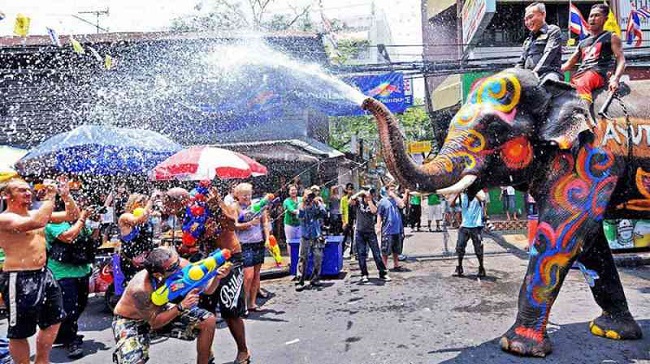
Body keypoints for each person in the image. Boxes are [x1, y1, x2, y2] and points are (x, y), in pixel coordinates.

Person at [0, 177, 79, 364]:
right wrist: (51, 197)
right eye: (21, 190)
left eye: (28, 189)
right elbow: (36, 222)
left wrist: (66, 196)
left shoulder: (35, 212)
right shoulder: (4, 218)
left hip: (44, 274)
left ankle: (42, 361)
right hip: (18, 277)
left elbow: (71, 216)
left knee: (54, 319)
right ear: (5, 195)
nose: (28, 193)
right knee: (19, 331)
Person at [112, 247, 230, 364]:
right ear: (158, 274)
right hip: (131, 320)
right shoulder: (141, 289)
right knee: (135, 362)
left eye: (178, 261)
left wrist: (217, 277)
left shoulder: (180, 264)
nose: (179, 266)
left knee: (208, 320)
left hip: (161, 310)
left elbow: (208, 290)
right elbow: (154, 323)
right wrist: (181, 306)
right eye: (173, 267)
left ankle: (205, 359)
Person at [195, 185, 251, 364]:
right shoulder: (198, 208)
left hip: (231, 258)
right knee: (204, 311)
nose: (208, 196)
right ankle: (206, 353)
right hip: (208, 261)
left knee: (230, 309)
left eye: (212, 193)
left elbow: (231, 223)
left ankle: (243, 351)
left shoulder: (229, 205)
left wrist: (217, 204)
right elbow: (195, 235)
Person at [45, 200, 100, 358]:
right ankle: (71, 339)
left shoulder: (76, 221)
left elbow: (91, 236)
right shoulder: (54, 222)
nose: (77, 208)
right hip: (62, 273)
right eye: (73, 206)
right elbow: (68, 237)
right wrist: (82, 218)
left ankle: (63, 334)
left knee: (81, 305)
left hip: (81, 271)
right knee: (70, 308)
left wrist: (96, 222)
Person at [561, 3, 626, 106]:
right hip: (580, 75)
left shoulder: (611, 36)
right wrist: (553, 71)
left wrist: (616, 78)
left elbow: (621, 59)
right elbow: (569, 64)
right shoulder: (583, 42)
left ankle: (586, 118)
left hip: (598, 74)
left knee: (582, 83)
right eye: (591, 16)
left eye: (597, 15)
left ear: (605, 19)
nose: (592, 19)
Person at [233, 183, 269, 311]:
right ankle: (243, 304)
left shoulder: (257, 205)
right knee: (248, 275)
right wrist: (249, 223)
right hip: (244, 244)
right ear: (237, 195)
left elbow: (265, 222)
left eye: (249, 194)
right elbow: (235, 225)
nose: (247, 197)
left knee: (256, 275)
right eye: (244, 195)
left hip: (258, 242)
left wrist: (268, 238)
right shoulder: (235, 207)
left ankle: (252, 303)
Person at [350, 187, 391, 283]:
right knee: (361, 254)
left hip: (370, 232)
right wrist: (359, 193)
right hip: (360, 232)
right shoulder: (358, 201)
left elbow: (374, 211)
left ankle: (383, 273)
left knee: (376, 254)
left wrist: (369, 200)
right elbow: (350, 201)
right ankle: (364, 274)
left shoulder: (374, 202)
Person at [118, 191, 160, 283]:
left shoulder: (146, 217)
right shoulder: (125, 217)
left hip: (146, 260)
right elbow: (137, 220)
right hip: (131, 261)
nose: (142, 204)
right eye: (139, 202)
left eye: (143, 202)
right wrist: (151, 200)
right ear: (132, 203)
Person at [516, 2, 563, 82]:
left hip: (548, 73)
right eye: (526, 20)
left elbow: (548, 53)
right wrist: (513, 75)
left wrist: (534, 72)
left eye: (530, 17)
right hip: (529, 77)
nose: (528, 22)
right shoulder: (527, 40)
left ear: (543, 14)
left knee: (549, 83)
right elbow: (521, 62)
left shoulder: (553, 31)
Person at [295, 187, 327, 291]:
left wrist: (320, 203)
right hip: (305, 236)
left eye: (311, 195)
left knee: (318, 257)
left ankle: (315, 279)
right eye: (307, 195)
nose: (309, 197)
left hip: (316, 235)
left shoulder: (316, 204)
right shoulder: (301, 205)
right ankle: (300, 280)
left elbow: (324, 214)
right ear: (303, 196)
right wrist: (304, 205)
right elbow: (300, 216)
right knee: (303, 258)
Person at [453, 191, 487, 278]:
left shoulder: (479, 193)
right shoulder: (462, 196)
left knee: (478, 249)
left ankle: (481, 267)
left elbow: (483, 199)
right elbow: (452, 204)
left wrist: (473, 190)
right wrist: (456, 193)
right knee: (459, 247)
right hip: (464, 226)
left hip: (476, 226)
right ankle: (459, 267)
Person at [377, 182, 407, 272]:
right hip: (387, 230)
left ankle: (396, 264)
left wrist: (394, 196)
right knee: (385, 249)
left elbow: (402, 205)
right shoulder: (383, 201)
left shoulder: (397, 200)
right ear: (386, 191)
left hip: (397, 229)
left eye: (394, 189)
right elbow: (379, 214)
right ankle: (384, 266)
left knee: (396, 249)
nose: (392, 191)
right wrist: (378, 226)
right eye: (390, 189)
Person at [282, 184, 301, 262]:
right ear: (289, 192)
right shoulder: (286, 201)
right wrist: (298, 211)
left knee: (300, 241)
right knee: (290, 241)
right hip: (289, 224)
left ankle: (299, 258)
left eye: (295, 190)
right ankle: (291, 259)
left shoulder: (301, 199)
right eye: (291, 190)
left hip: (299, 224)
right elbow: (291, 209)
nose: (293, 191)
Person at [340, 183, 356, 259]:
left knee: (354, 238)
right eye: (349, 189)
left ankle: (352, 253)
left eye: (351, 189)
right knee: (344, 237)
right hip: (346, 221)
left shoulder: (355, 199)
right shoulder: (343, 199)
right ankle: (341, 252)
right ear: (347, 189)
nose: (350, 191)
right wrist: (343, 222)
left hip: (353, 221)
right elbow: (342, 211)